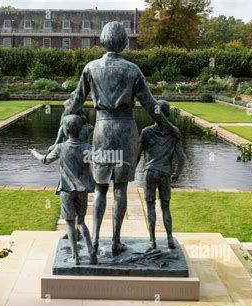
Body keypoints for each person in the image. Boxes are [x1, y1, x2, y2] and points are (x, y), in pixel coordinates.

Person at [58, 21, 180, 256]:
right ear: (124, 42)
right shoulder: (132, 69)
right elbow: (151, 106)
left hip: (103, 130)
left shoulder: (90, 68)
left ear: (103, 41)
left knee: (101, 188)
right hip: (125, 130)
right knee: (121, 188)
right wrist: (168, 125)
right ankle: (115, 241)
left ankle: (93, 240)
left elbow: (75, 101)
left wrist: (65, 119)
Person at [31, 115, 97, 265]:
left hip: (67, 190)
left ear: (66, 131)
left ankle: (76, 257)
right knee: (81, 222)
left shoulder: (60, 148)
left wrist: (33, 152)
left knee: (69, 224)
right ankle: (91, 250)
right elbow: (100, 160)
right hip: (82, 191)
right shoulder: (87, 148)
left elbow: (45, 160)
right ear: (81, 129)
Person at [137, 100, 186, 251]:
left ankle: (152, 240)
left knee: (150, 206)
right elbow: (182, 157)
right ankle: (169, 238)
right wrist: (176, 173)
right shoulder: (174, 132)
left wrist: (130, 171)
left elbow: (137, 154)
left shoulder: (146, 132)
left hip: (149, 173)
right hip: (164, 173)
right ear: (168, 115)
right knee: (166, 207)